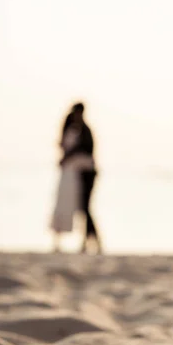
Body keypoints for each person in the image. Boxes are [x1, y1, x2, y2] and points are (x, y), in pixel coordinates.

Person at [51, 103, 101, 253]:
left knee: (85, 208)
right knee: (78, 207)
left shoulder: (84, 131)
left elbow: (86, 152)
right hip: (74, 174)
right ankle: (89, 241)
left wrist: (67, 157)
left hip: (85, 175)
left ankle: (92, 240)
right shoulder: (76, 129)